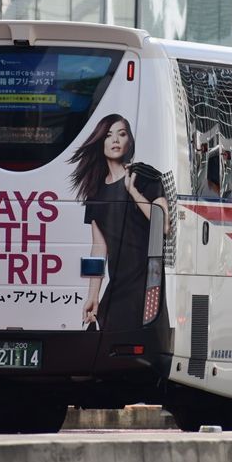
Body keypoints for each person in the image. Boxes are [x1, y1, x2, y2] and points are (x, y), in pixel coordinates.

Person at [69, 114, 168, 332]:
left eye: (121, 134)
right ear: (100, 143)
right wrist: (93, 295)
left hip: (146, 283)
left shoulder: (144, 176)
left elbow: (163, 225)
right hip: (117, 286)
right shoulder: (95, 192)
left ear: (129, 141)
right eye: (108, 135)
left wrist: (133, 191)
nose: (115, 140)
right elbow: (98, 249)